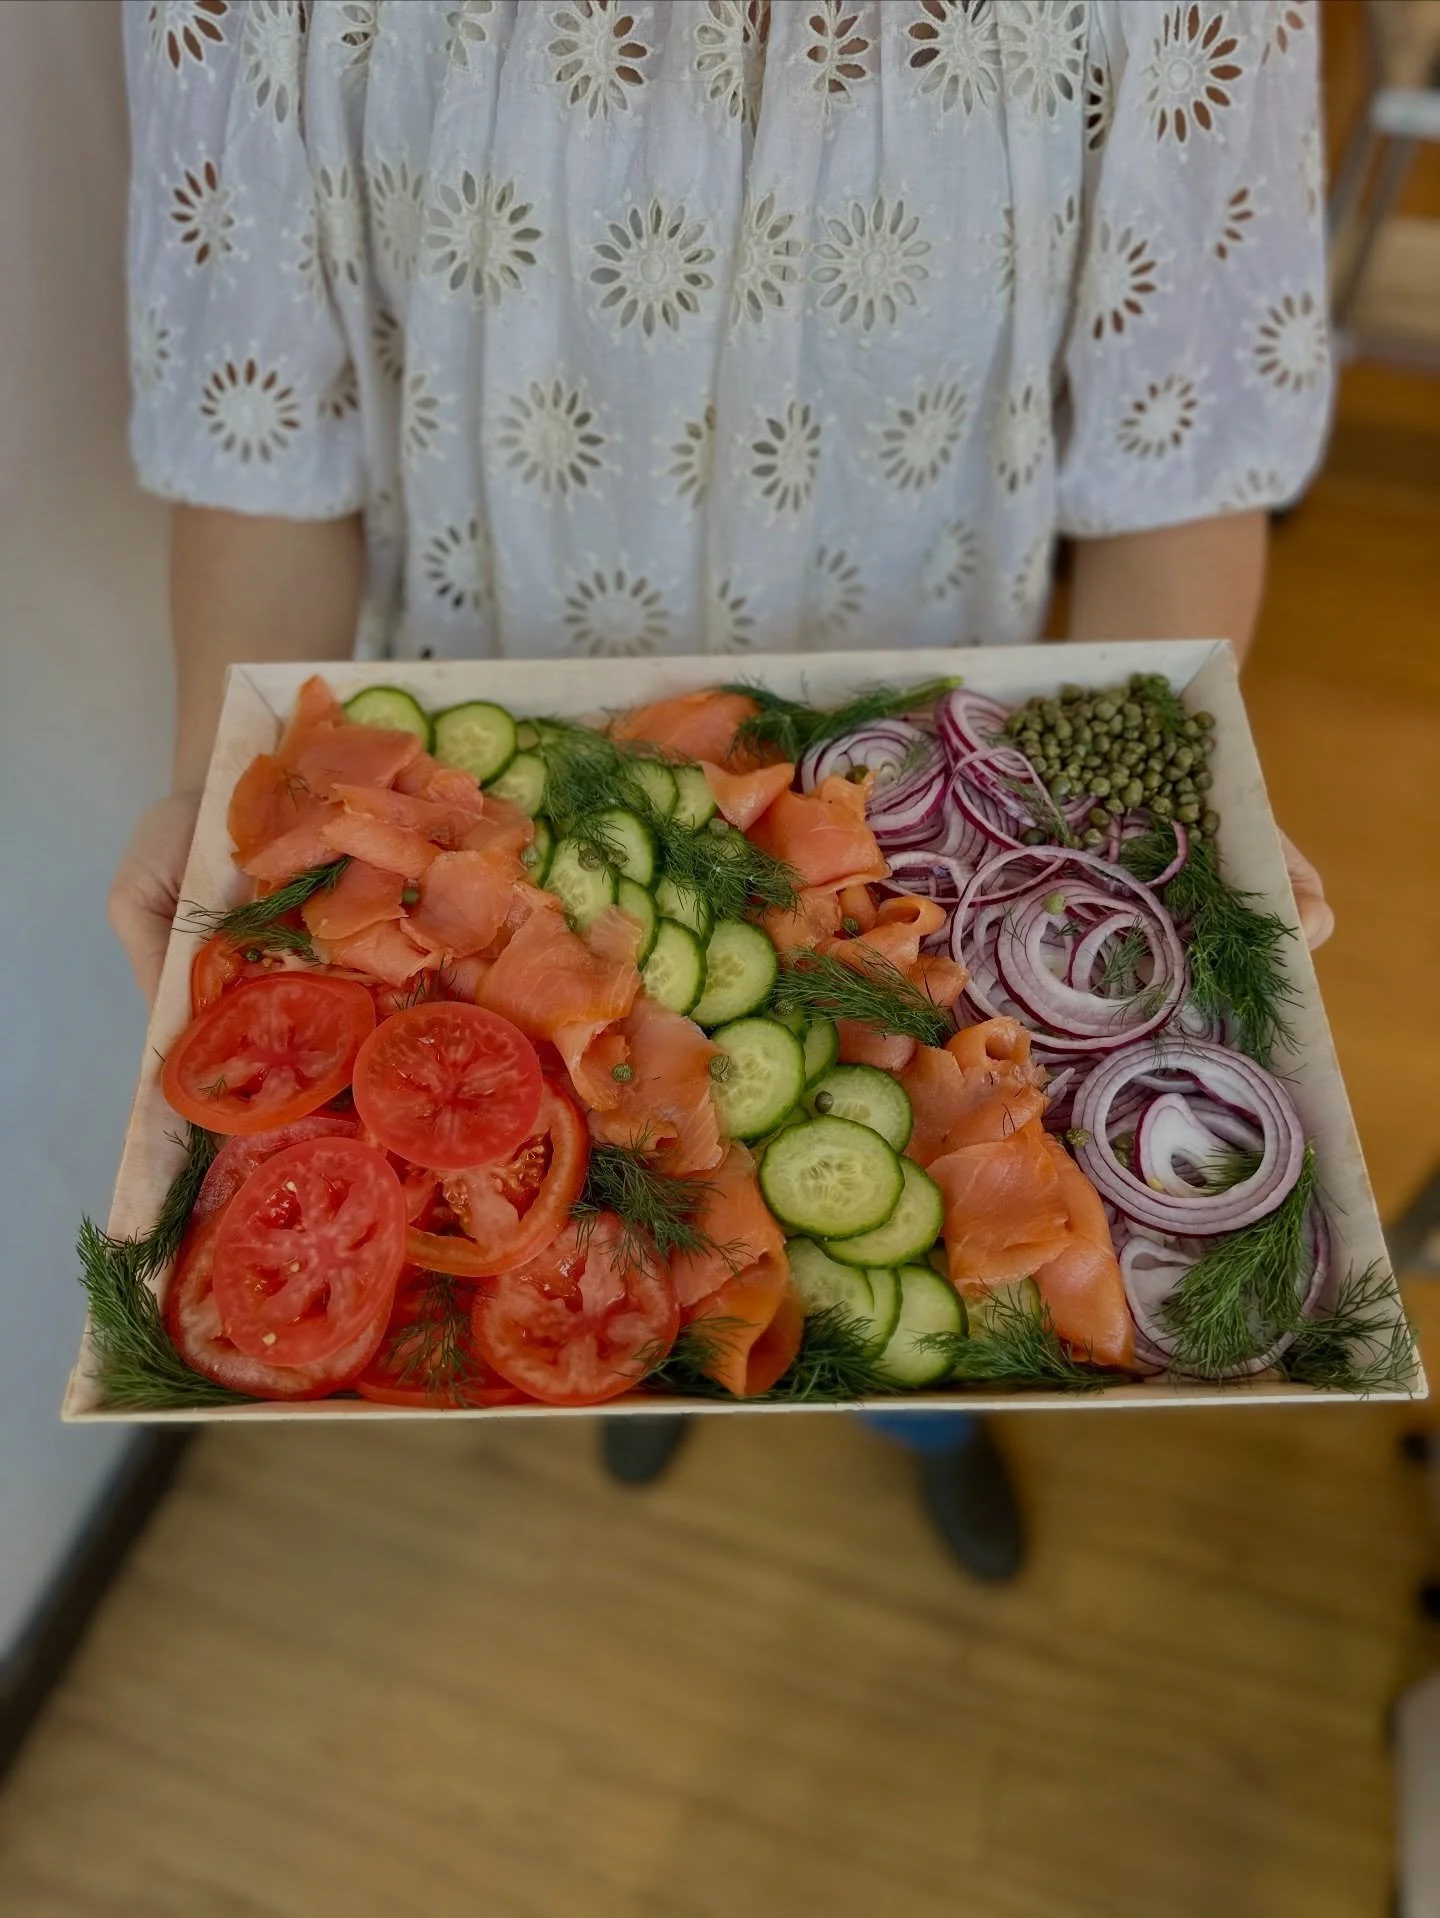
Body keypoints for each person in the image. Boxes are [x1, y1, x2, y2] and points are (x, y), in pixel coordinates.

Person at [109, 0, 1335, 1583]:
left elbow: (1175, 459)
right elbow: (263, 446)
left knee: (894, 1242)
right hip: (483, 845)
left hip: (928, 831)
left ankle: (917, 1411)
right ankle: (632, 1332)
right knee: (619, 1235)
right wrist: (219, 788)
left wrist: (1158, 831)